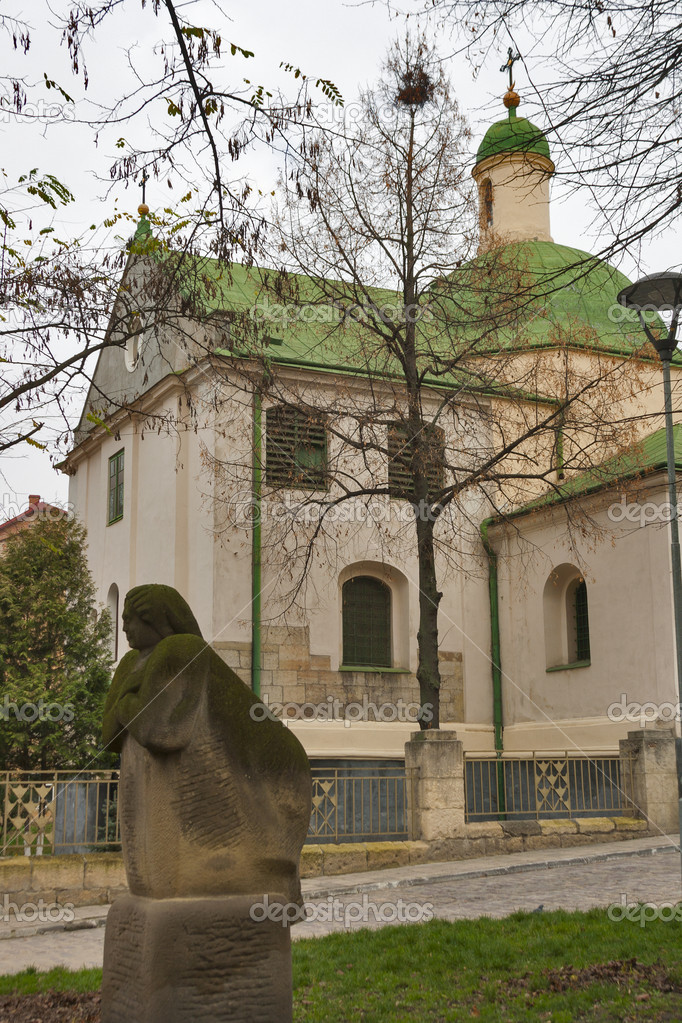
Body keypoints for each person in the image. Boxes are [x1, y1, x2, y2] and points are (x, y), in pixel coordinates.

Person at [102, 583, 311, 905]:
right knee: (147, 874)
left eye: (132, 620)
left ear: (157, 621)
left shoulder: (182, 650)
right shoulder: (130, 664)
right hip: (140, 780)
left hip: (190, 785)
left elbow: (160, 732)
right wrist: (133, 701)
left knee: (176, 872)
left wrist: (125, 703)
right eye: (124, 619)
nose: (124, 627)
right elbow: (109, 736)